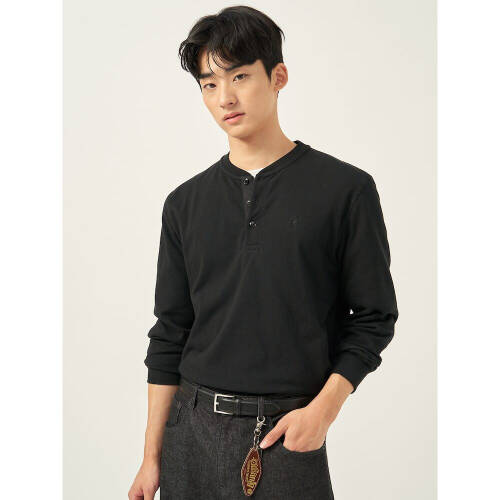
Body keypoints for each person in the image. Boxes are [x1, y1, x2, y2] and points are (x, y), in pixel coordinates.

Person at [128, 5, 399, 500]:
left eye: (239, 76)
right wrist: (151, 458)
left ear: (278, 77)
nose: (225, 97)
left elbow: (374, 318)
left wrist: (322, 413)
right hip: (190, 434)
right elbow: (170, 332)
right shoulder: (184, 203)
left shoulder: (345, 190)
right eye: (209, 84)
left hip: (286, 433)